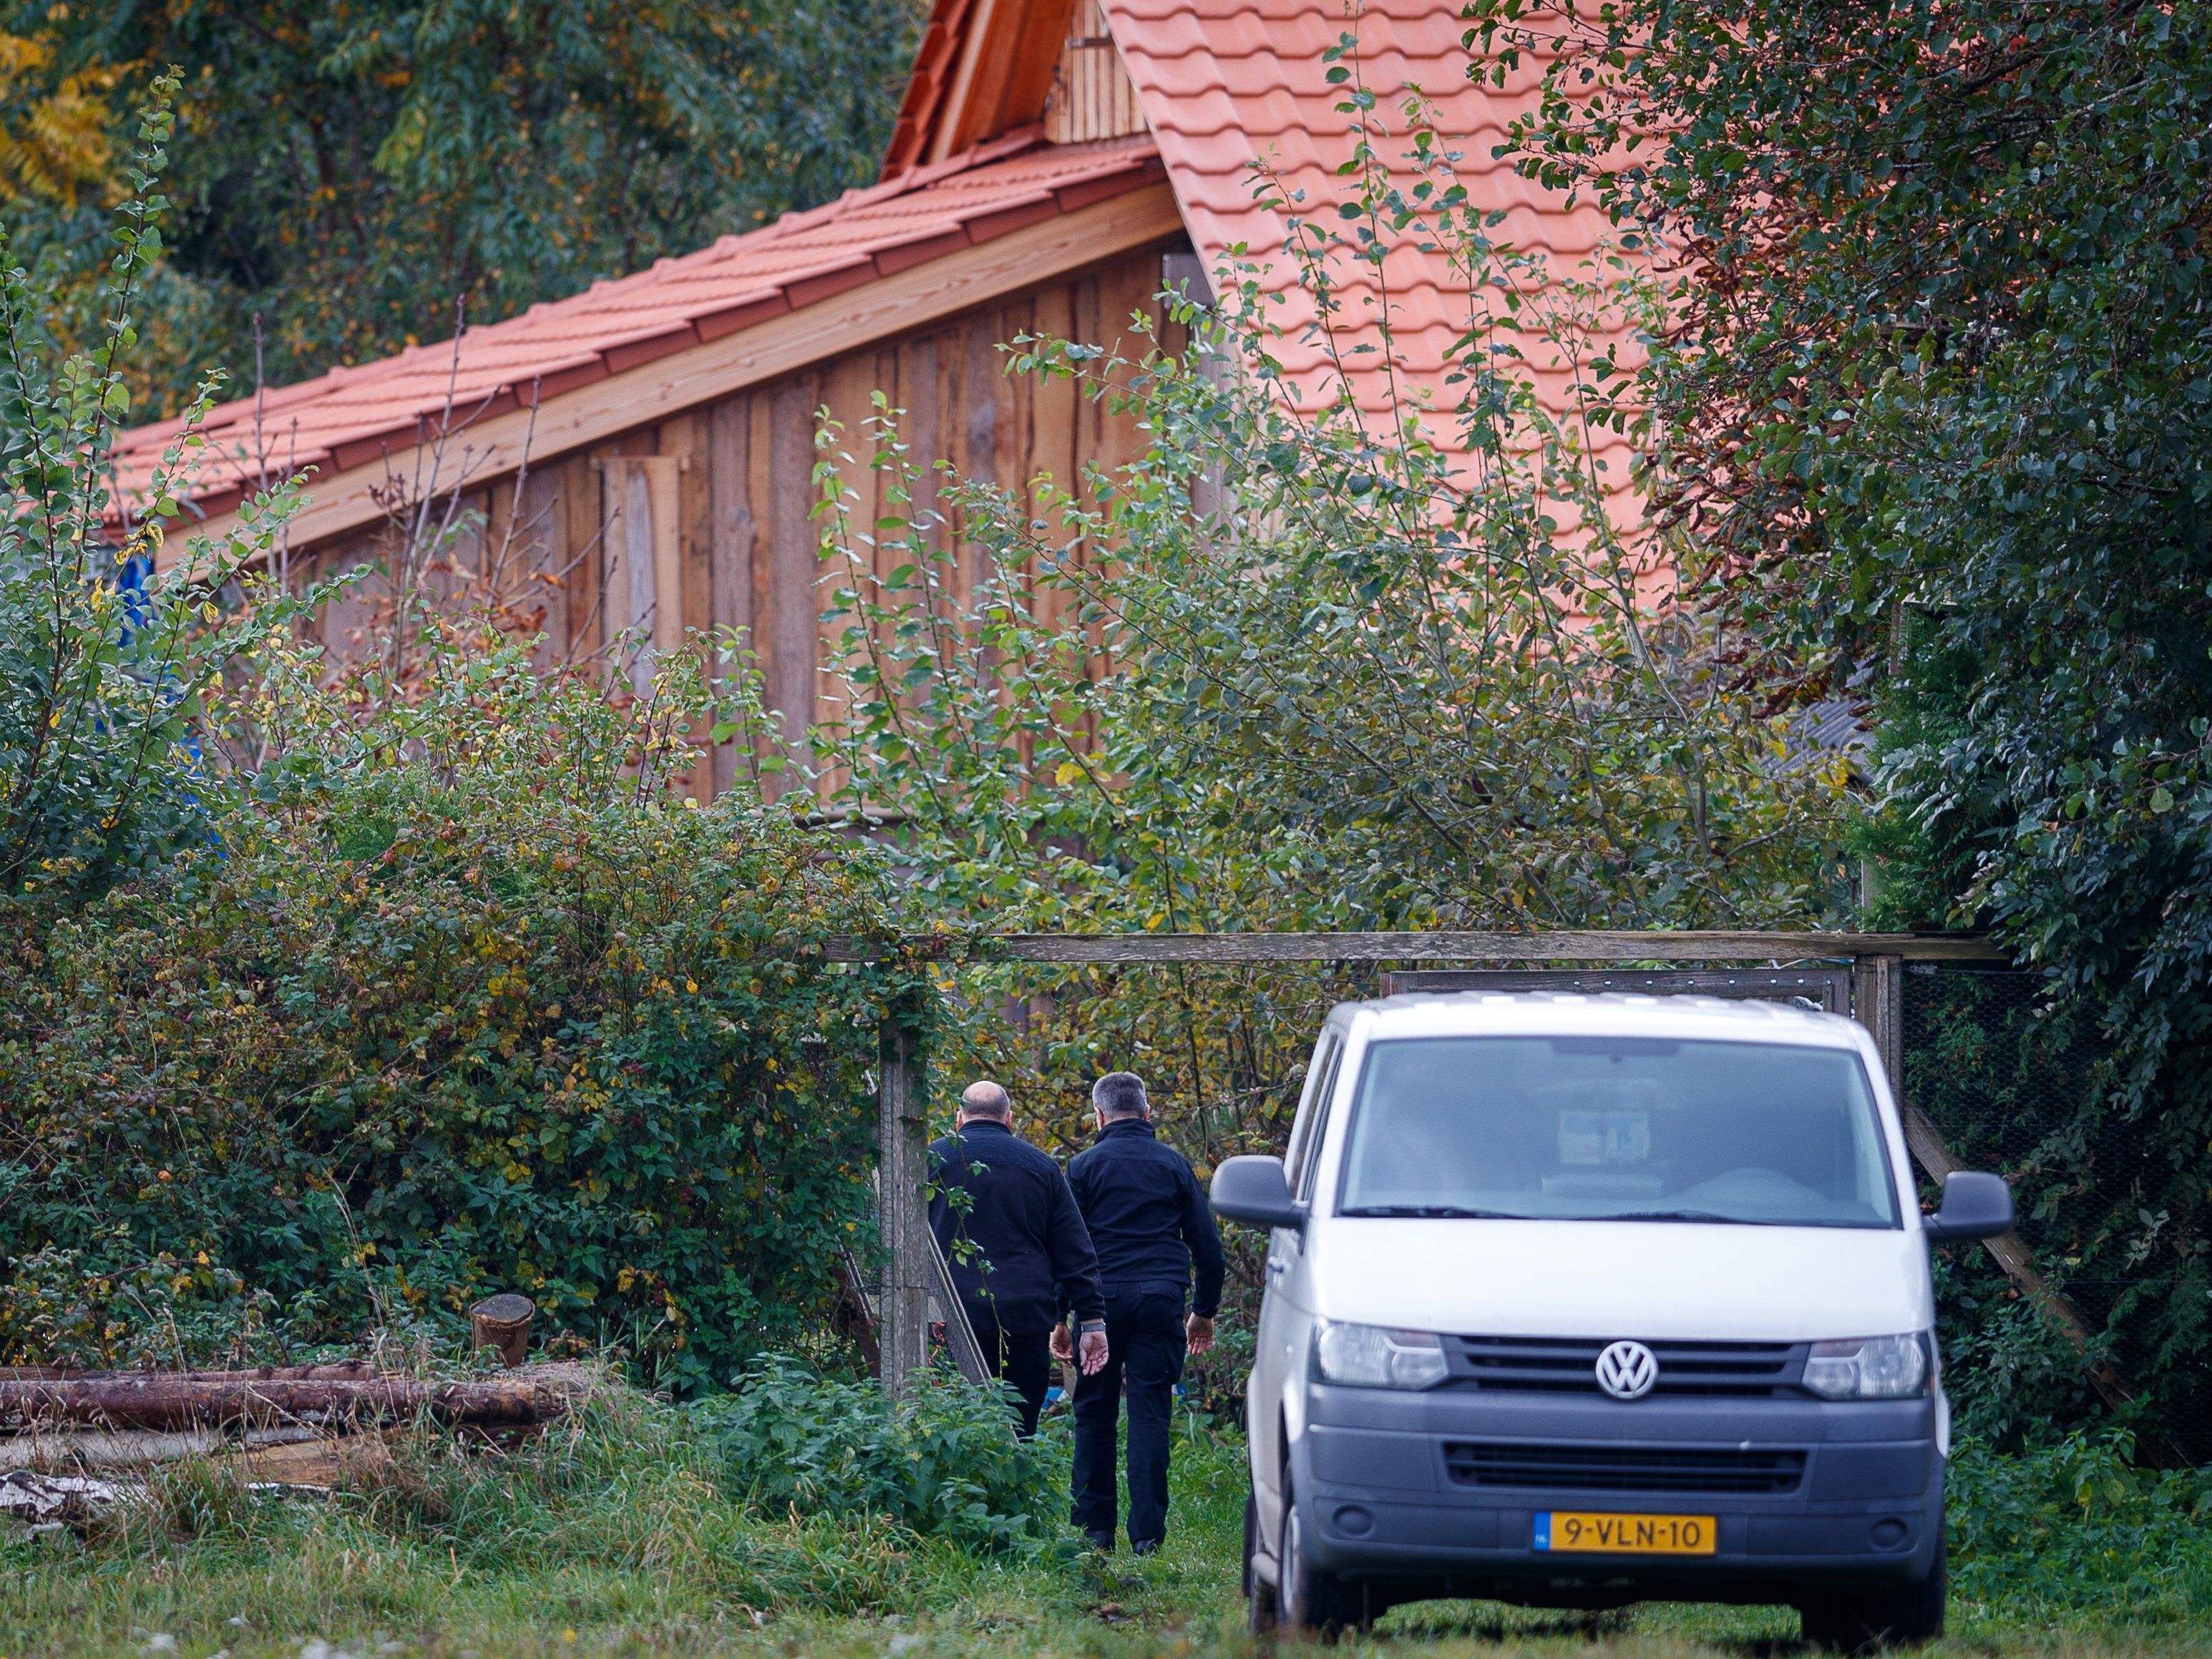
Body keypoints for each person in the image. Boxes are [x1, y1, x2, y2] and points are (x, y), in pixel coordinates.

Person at [1059, 1071, 1226, 1555]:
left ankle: (1094, 1530)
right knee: (1150, 1413)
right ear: (1148, 1113)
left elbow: (1067, 1248)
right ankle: (1148, 1536)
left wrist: (1060, 1316)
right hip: (1159, 1298)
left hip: (1099, 1306)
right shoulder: (1173, 1165)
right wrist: (1203, 1310)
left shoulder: (1083, 1167)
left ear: (1099, 1116)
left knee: (1093, 1411)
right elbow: (1208, 1247)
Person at [928, 1079, 1108, 1436]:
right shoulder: (1041, 1168)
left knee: (950, 1427)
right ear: (1010, 1119)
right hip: (1022, 1319)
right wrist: (1091, 1320)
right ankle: (1015, 1488)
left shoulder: (930, 1162)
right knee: (1018, 1428)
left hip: (946, 1317)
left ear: (958, 1119)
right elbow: (1074, 1250)